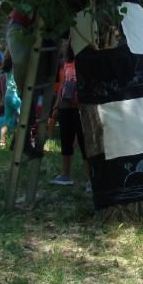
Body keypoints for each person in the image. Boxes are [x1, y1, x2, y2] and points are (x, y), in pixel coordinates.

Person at [50, 46, 90, 188]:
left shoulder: (87, 60)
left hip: (82, 107)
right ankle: (65, 175)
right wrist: (56, 106)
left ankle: (90, 179)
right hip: (65, 106)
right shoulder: (66, 63)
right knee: (66, 139)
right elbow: (61, 85)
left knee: (85, 142)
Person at [0, 52, 20, 148]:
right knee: (22, 119)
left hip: (8, 95)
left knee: (7, 120)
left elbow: (2, 80)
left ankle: (2, 142)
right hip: (16, 95)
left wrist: (2, 96)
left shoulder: (7, 67)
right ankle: (18, 141)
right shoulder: (17, 67)